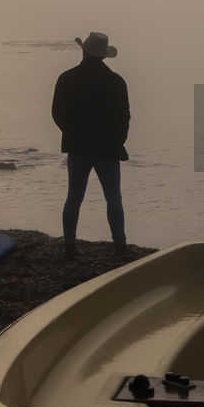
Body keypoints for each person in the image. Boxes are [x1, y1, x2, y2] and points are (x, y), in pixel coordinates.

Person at [52, 31, 130, 253]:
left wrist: (72, 134)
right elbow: (124, 116)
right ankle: (120, 244)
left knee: (74, 197)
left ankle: (69, 244)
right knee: (114, 198)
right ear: (104, 56)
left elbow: (57, 113)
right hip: (108, 147)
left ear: (84, 51)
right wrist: (118, 140)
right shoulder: (116, 81)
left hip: (77, 146)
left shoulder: (67, 78)